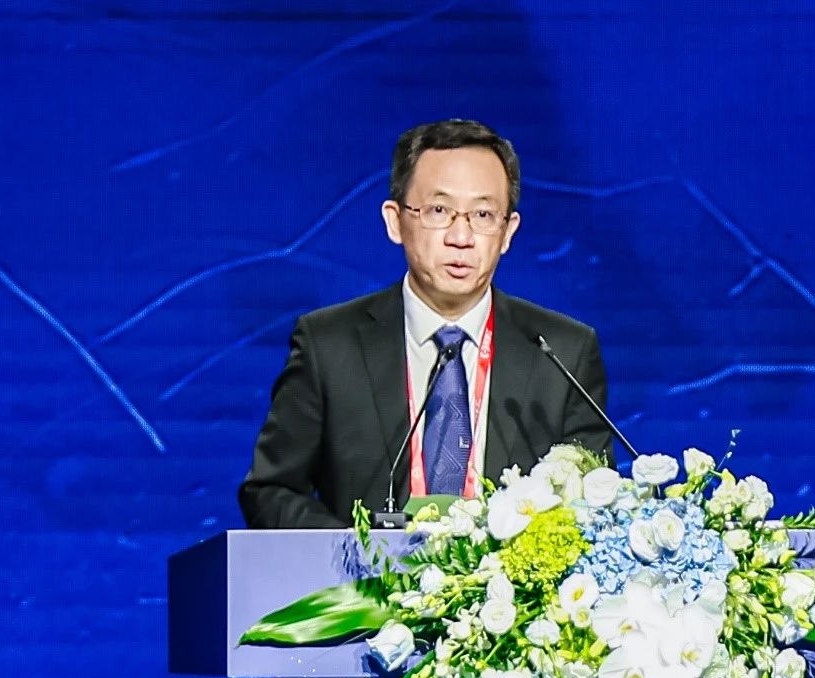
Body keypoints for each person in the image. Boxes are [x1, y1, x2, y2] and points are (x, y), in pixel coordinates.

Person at [239, 119, 612, 529]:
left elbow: (594, 508)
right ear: (395, 221)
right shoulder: (327, 345)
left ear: (508, 232)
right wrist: (359, 554)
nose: (461, 237)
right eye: (439, 211)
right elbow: (270, 491)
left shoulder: (563, 353)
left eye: (483, 214)